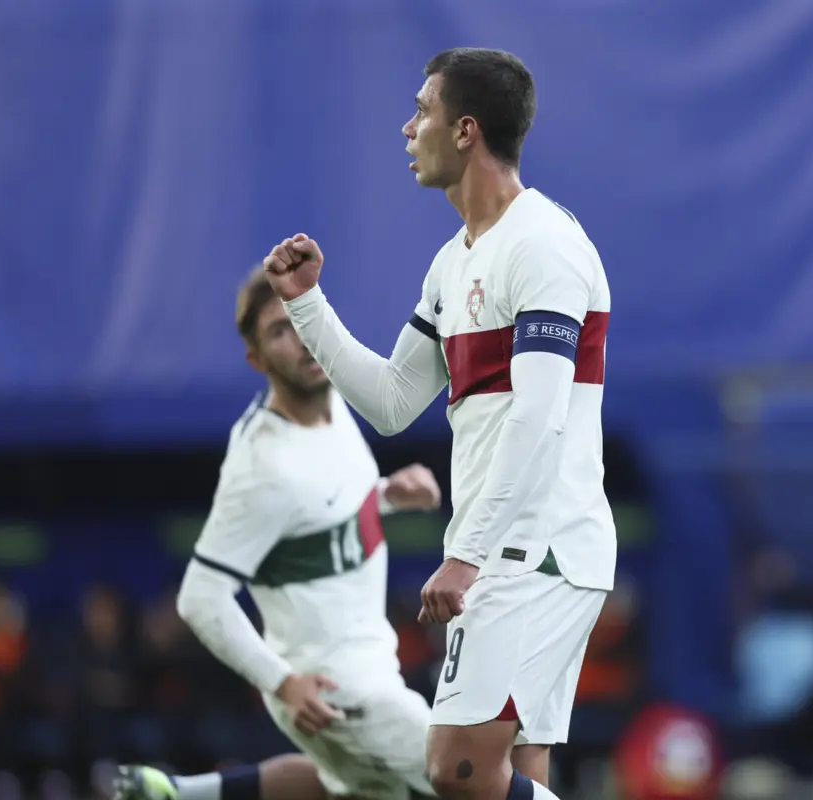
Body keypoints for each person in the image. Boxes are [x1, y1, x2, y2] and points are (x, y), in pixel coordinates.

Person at [261, 47, 615, 800]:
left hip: (536, 548)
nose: (406, 126)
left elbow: (539, 418)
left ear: (464, 131)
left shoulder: (543, 244)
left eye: (421, 110)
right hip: (508, 550)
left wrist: (468, 557)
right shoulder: (453, 263)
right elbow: (392, 401)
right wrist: (306, 304)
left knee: (455, 769)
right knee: (514, 776)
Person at [114, 266, 443, 800]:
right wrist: (284, 683)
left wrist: (386, 494)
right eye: (277, 331)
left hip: (365, 674)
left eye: (300, 320)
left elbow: (317, 511)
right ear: (257, 359)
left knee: (344, 787)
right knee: (475, 775)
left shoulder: (334, 400)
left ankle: (178, 793)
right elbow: (200, 597)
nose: (299, 339)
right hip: (333, 692)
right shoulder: (261, 465)